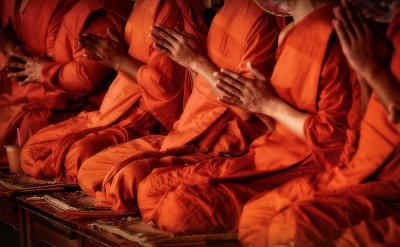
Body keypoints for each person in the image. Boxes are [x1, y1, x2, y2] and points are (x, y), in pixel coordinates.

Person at [136, 0, 360, 234]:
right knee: (150, 189)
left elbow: (334, 143)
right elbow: (274, 127)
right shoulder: (288, 33)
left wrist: (268, 105)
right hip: (267, 154)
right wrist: (259, 106)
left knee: (179, 210)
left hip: (309, 168)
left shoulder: (336, 34)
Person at [77, 0, 286, 212]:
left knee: (126, 182)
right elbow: (195, 93)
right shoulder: (225, 10)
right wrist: (190, 62)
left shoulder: (263, 18)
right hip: (186, 129)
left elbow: (248, 106)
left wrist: (121, 61)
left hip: (225, 144)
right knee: (88, 171)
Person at [238, 0, 400, 246]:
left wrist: (373, 70)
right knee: (255, 215)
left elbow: (333, 139)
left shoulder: (330, 30)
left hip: (385, 176)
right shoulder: (296, 33)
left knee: (291, 227)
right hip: (359, 160)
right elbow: (363, 117)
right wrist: (366, 72)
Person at [20, 0, 208, 183]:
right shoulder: (141, 5)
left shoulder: (166, 8)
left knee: (77, 156)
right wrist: (120, 58)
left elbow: (164, 89)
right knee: (31, 149)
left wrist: (119, 61)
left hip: (141, 119)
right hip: (112, 107)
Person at [0, 0, 131, 164]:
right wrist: (17, 53)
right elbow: (33, 63)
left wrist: (42, 70)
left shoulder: (89, 14)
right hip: (40, 96)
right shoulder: (17, 6)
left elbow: (88, 77)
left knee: (29, 136)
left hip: (79, 105)